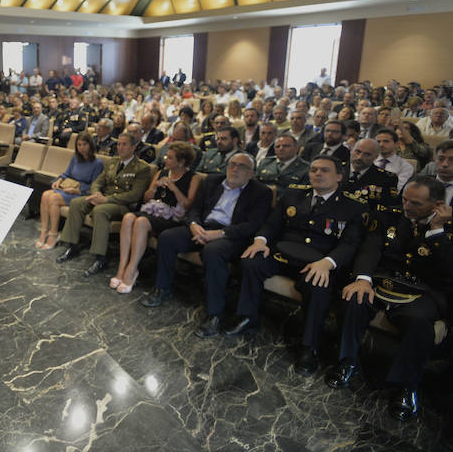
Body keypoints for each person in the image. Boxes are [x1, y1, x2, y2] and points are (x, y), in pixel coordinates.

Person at [224, 156, 369, 376]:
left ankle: (308, 347)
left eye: (324, 170)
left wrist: (327, 263)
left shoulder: (353, 206)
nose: (317, 174)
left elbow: (350, 243)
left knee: (319, 285)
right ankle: (247, 317)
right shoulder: (294, 194)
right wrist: (260, 241)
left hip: (317, 262)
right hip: (283, 254)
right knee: (251, 261)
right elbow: (272, 224)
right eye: (313, 169)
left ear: (339, 176)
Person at [325, 177, 453, 421]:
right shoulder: (388, 215)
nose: (407, 206)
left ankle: (406, 386)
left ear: (437, 204)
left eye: (415, 203)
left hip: (422, 291)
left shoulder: (447, 227)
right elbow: (371, 248)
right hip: (383, 281)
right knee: (354, 299)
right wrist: (363, 278)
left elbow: (448, 270)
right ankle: (347, 361)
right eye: (404, 199)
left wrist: (437, 230)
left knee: (418, 325)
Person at [141, 153, 272, 339]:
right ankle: (163, 288)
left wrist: (218, 234)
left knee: (213, 251)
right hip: (203, 228)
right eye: (232, 164)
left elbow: (252, 225)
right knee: (168, 237)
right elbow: (194, 209)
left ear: (251, 173)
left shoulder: (261, 192)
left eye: (241, 166)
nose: (234, 169)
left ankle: (214, 314)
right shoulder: (212, 181)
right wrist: (194, 226)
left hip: (231, 235)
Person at [56, 132, 152, 276]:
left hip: (121, 205)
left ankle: (100, 258)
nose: (120, 147)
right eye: (119, 144)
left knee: (100, 210)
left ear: (133, 147)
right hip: (102, 198)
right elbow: (98, 182)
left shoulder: (142, 167)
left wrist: (106, 200)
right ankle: (73, 246)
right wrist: (96, 194)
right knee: (76, 203)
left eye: (124, 144)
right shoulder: (113, 162)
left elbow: (134, 195)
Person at [113, 142, 201, 294]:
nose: (165, 159)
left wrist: (174, 188)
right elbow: (147, 198)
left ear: (181, 162)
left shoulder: (193, 178)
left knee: (140, 221)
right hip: (153, 211)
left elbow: (188, 205)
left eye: (170, 158)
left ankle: (132, 269)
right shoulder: (162, 172)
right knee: (128, 217)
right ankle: (122, 267)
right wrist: (154, 188)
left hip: (173, 218)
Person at [35, 132, 104, 250]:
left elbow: (95, 185)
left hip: (81, 193)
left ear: (90, 145)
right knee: (45, 195)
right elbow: (66, 174)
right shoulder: (75, 158)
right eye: (79, 145)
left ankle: (53, 234)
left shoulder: (97, 163)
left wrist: (76, 190)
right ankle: (43, 232)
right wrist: (59, 180)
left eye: (84, 144)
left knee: (52, 198)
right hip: (68, 188)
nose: (81, 148)